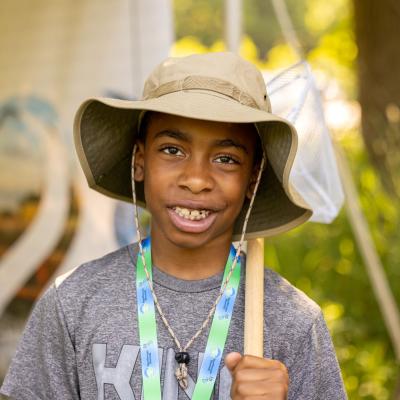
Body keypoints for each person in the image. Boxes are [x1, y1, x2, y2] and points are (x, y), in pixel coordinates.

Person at [1, 52, 347, 399]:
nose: (196, 180)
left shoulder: (293, 322)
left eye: (226, 159)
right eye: (172, 150)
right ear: (139, 160)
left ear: (253, 179)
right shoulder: (73, 303)